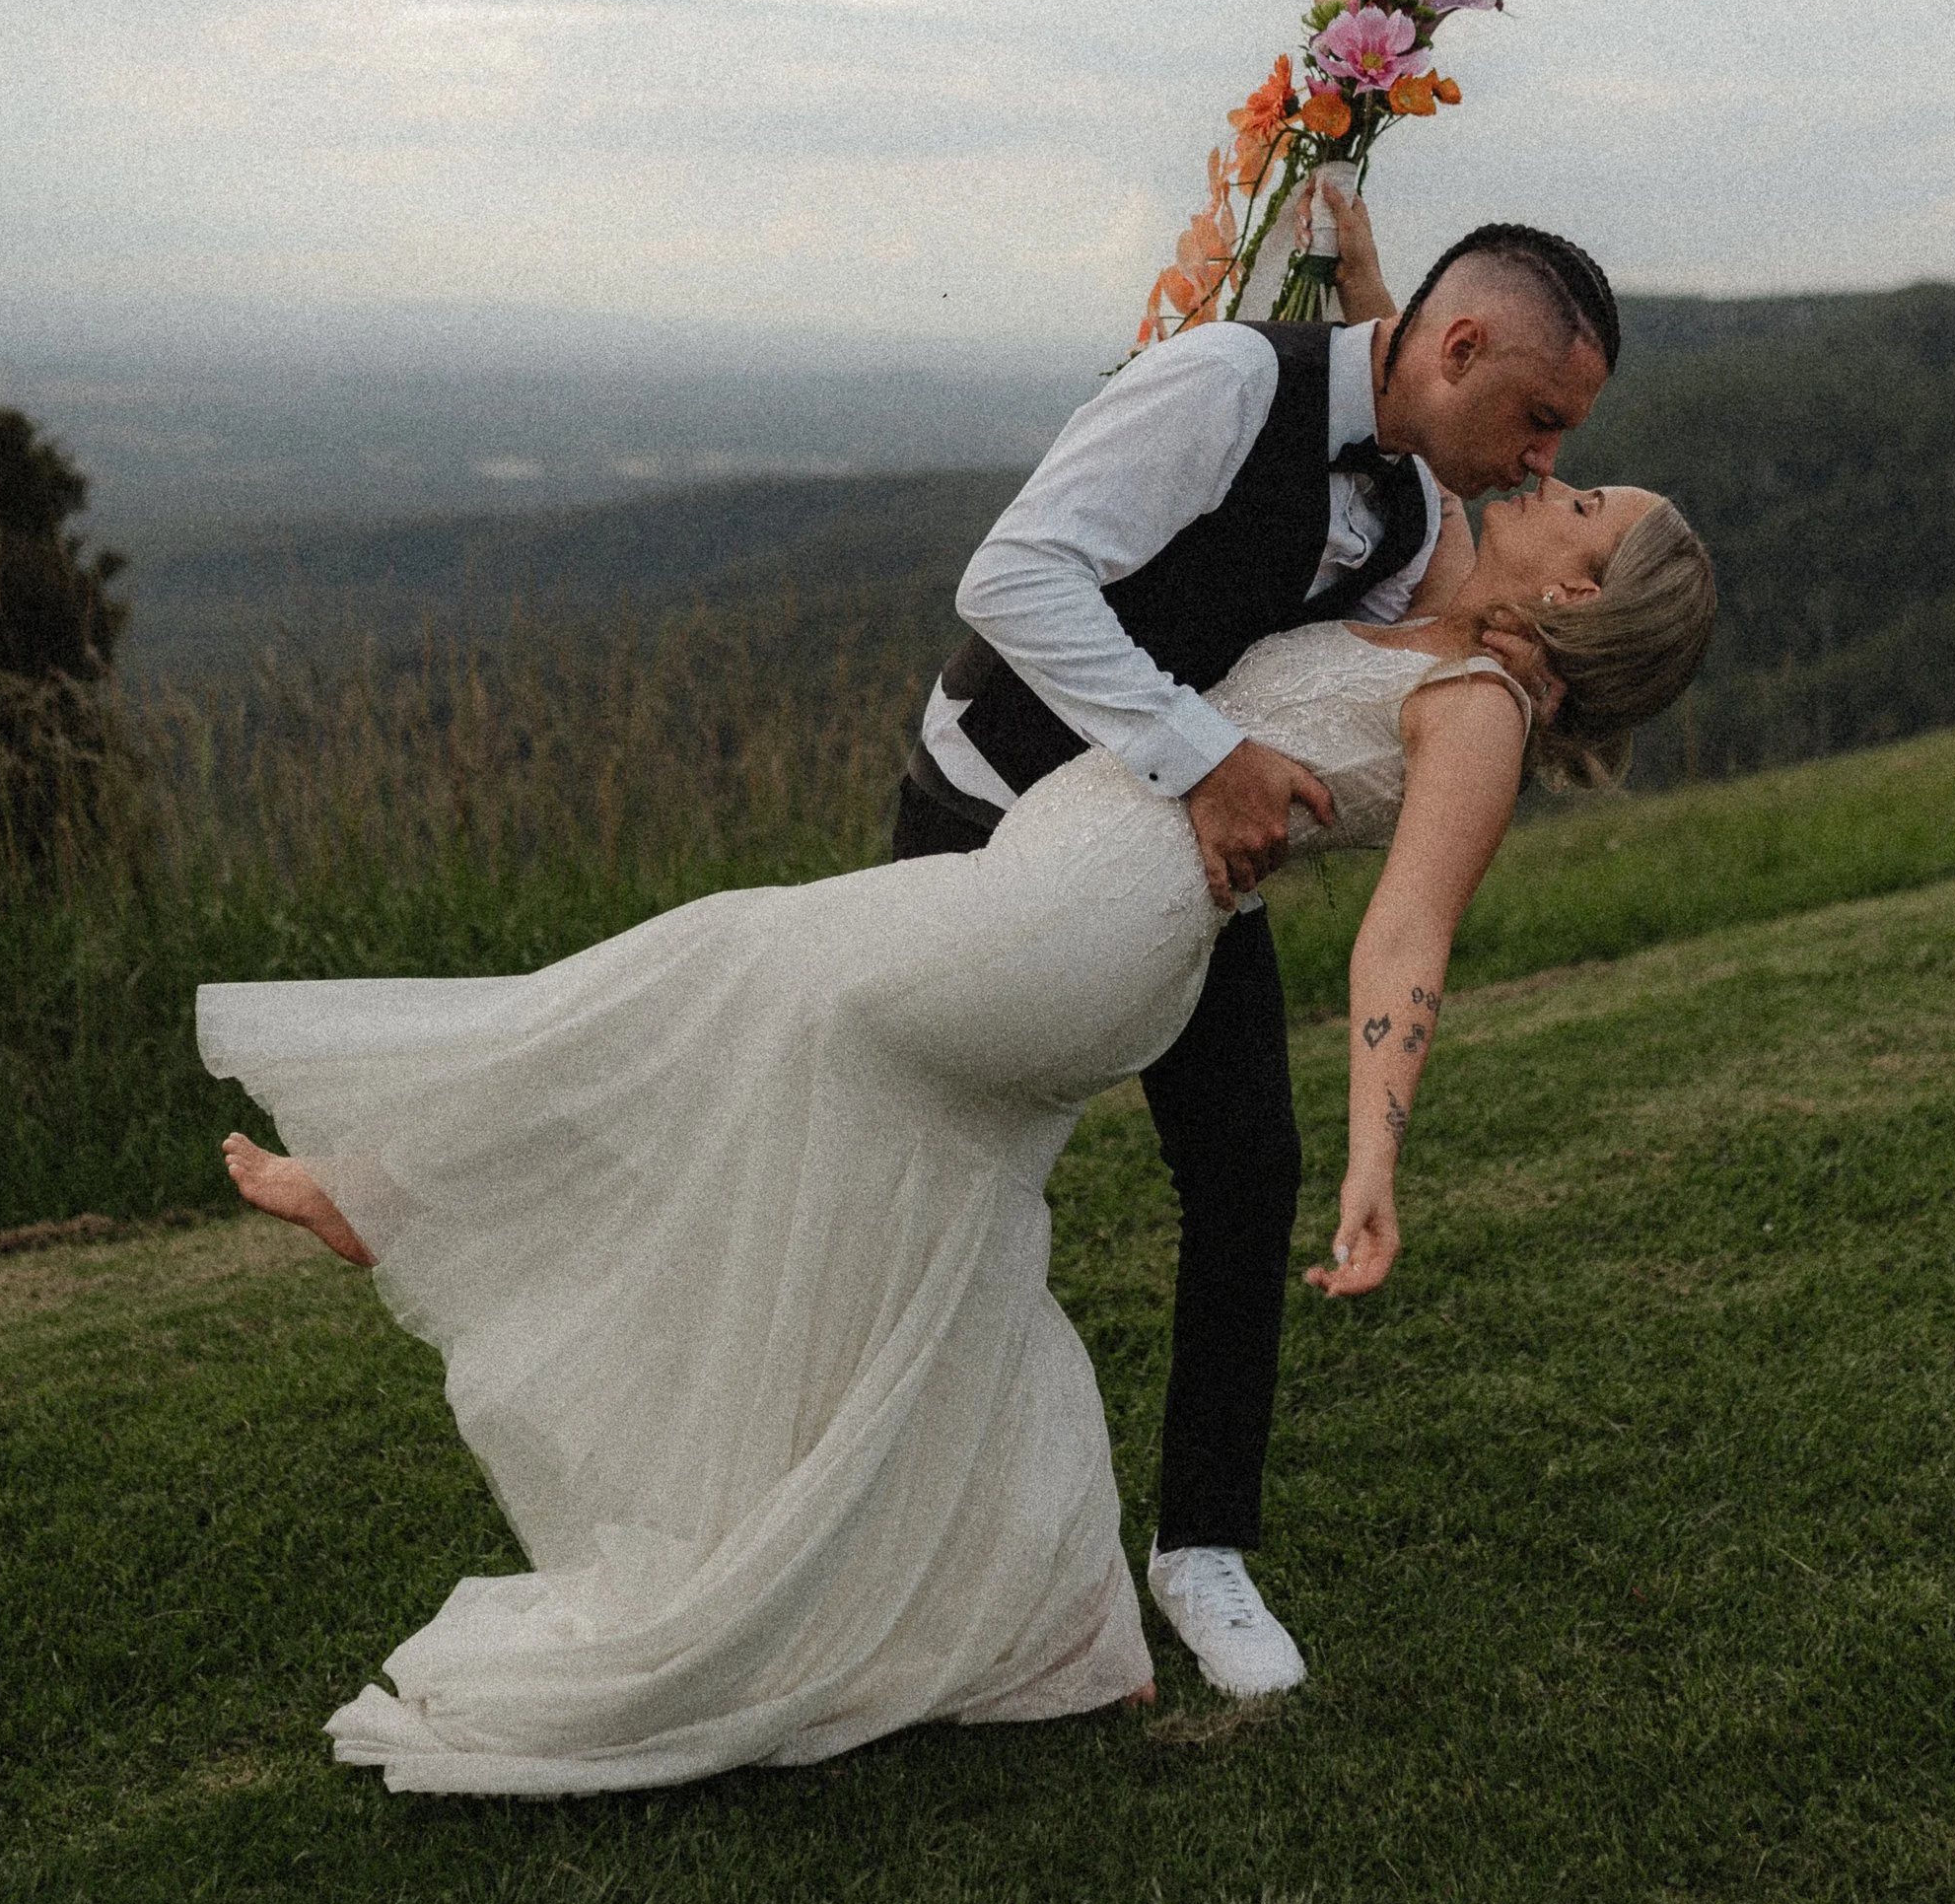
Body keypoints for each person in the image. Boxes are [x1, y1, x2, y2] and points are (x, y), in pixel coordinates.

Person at [205, 423, 1715, 1804]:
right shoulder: (1436, 606)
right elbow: (1413, 367)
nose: (1548, 476)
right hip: (1064, 904)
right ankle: (1052, 1631)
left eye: (1582, 501)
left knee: (732, 966)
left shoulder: (1485, 714)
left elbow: (1406, 939)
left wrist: (1378, 1156)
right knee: (928, 1212)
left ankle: (401, 1187)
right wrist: (1332, 173)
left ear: (1581, 596)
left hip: (1086, 918)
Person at [891, 216, 1621, 1698]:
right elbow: (1013, 579)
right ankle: (927, 1540)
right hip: (984, 813)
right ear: (1462, 348)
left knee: (1247, 1164)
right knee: (933, 1171)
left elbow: (1331, 684)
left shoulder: (1418, 524)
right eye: (1542, 421)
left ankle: (1203, 1549)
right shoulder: (1224, 380)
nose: (1545, 461)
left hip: (1168, 872)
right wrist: (1202, 754)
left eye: (1568, 444)